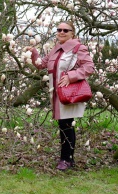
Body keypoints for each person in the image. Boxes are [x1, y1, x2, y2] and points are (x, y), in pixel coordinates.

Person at [26, 21, 95, 171]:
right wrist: (34, 53)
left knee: (66, 124)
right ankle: (68, 158)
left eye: (66, 30)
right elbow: (41, 65)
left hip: (69, 92)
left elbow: (89, 67)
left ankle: (66, 159)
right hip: (56, 93)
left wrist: (72, 76)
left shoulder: (78, 48)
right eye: (59, 30)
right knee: (64, 125)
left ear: (73, 33)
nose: (61, 32)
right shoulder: (55, 50)